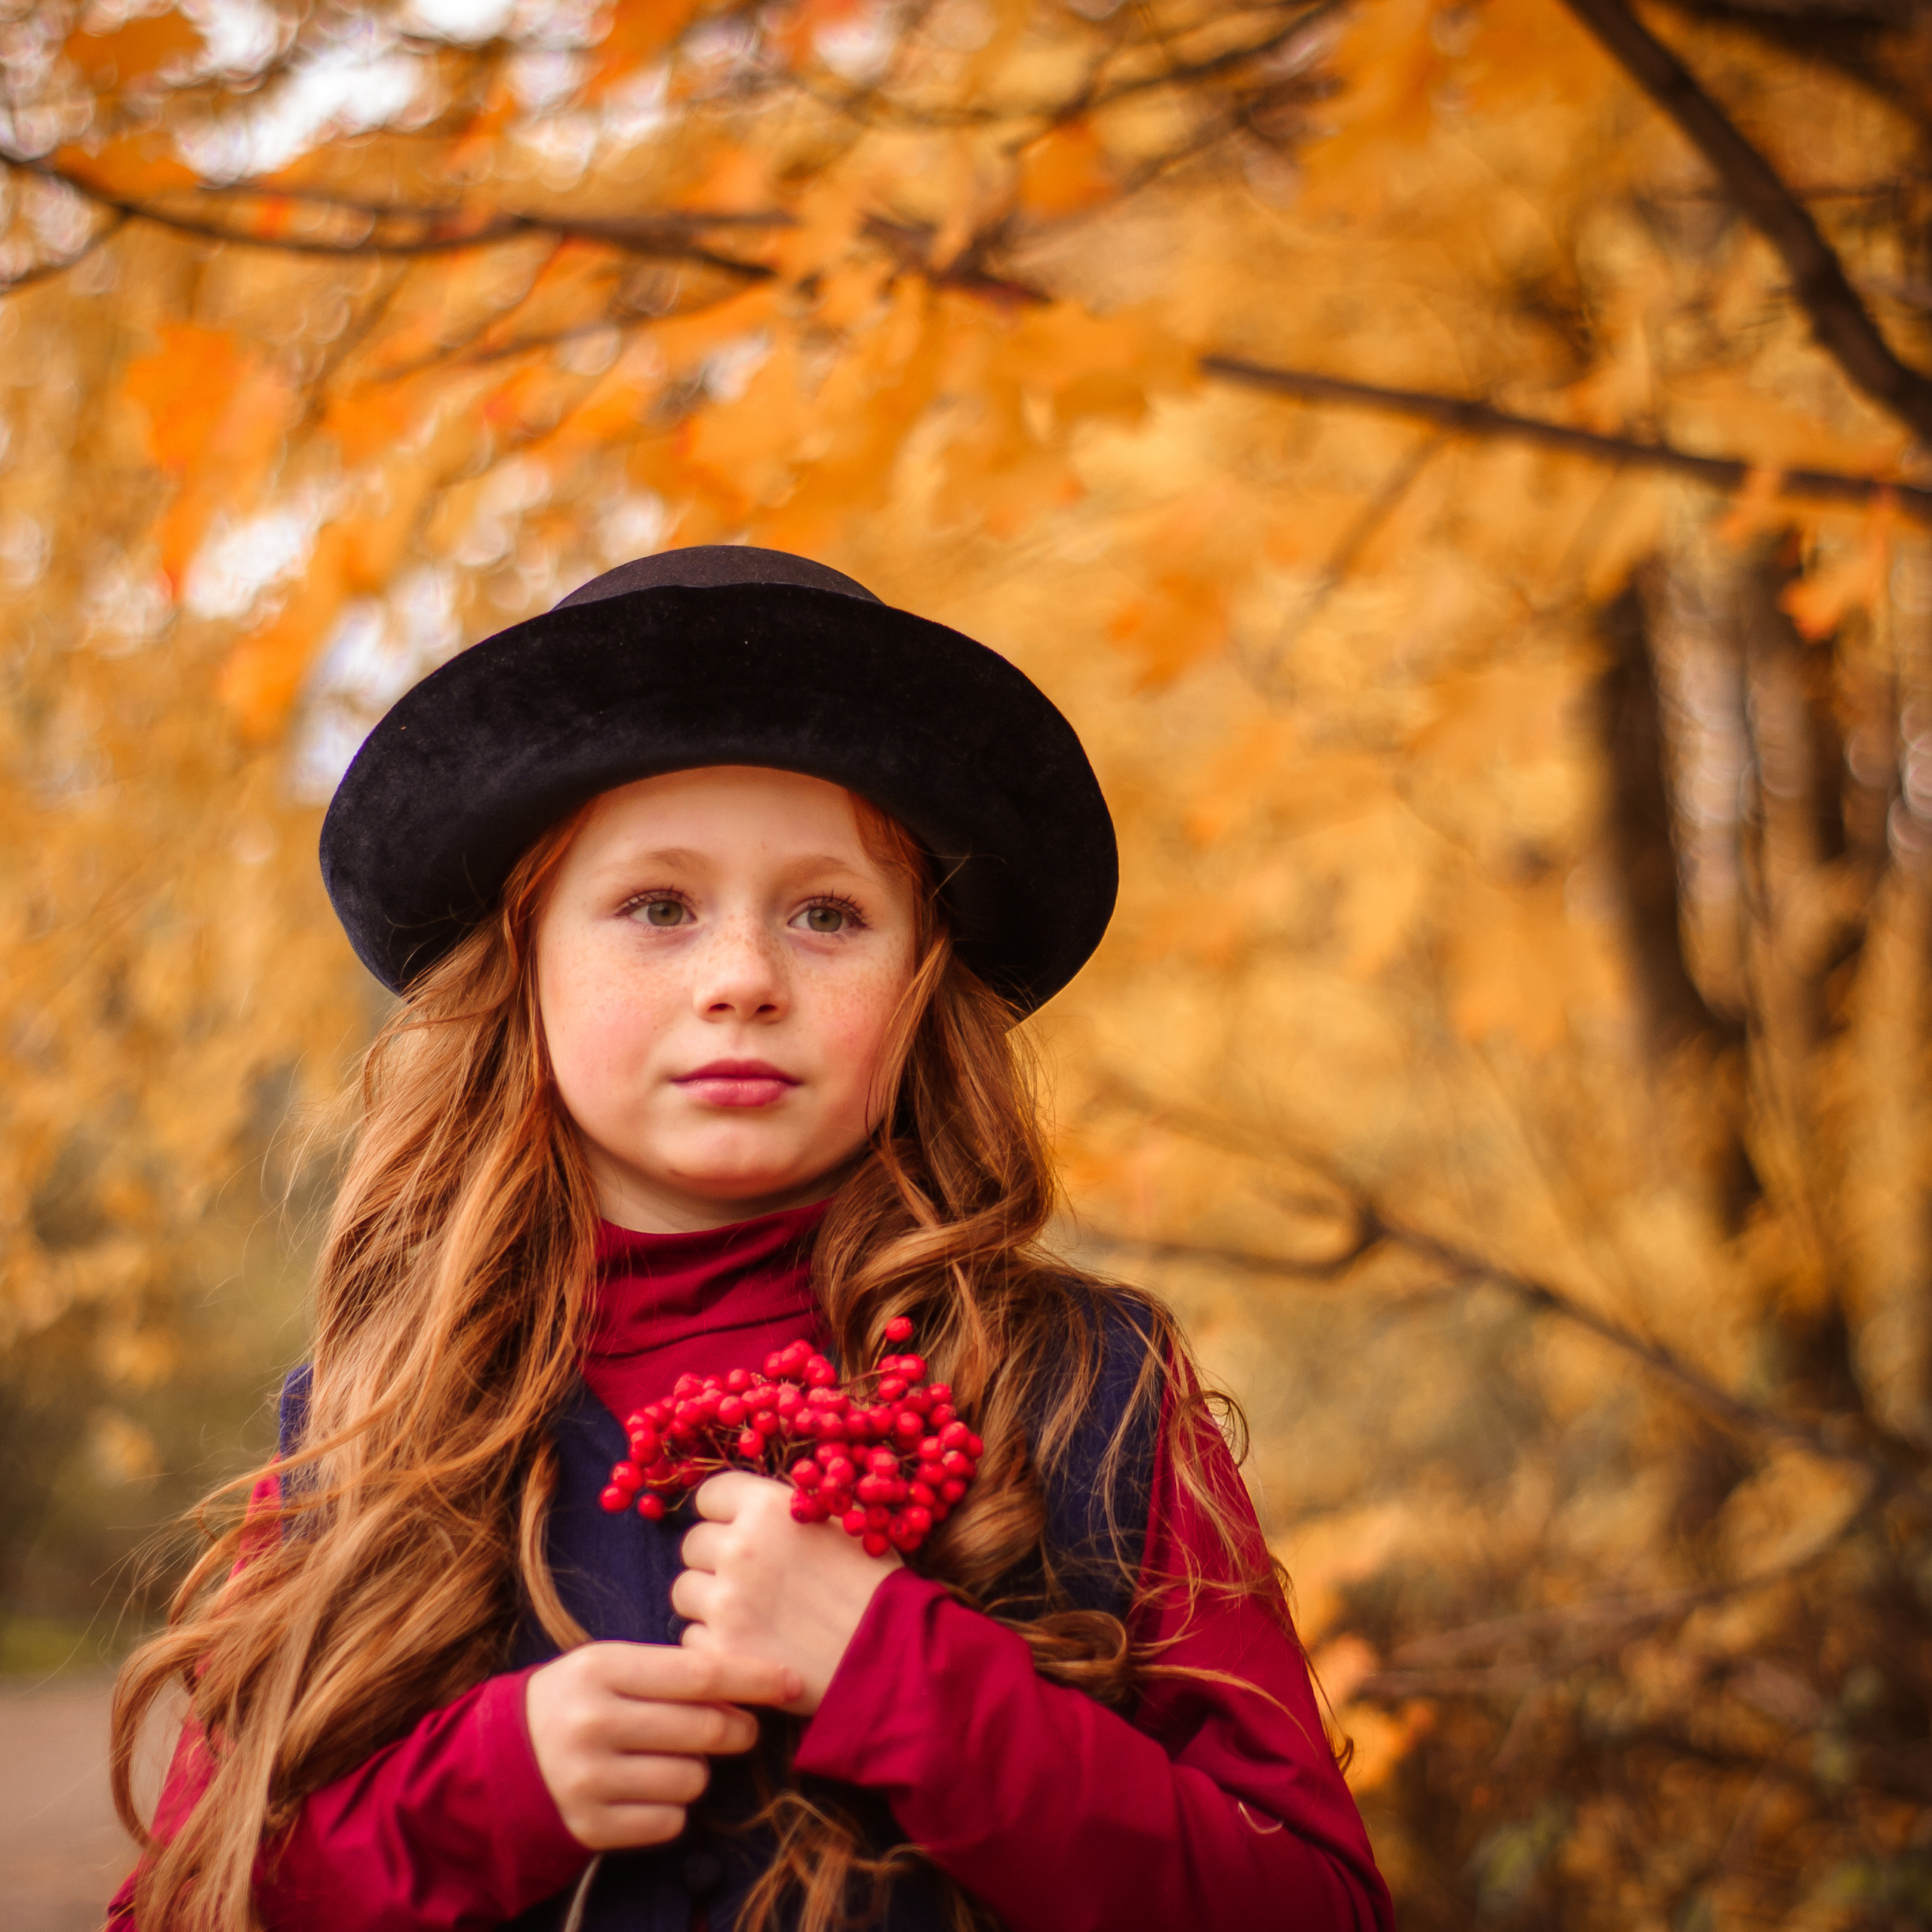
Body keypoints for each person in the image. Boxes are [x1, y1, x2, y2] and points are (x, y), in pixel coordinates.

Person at [106, 547, 1392, 1932]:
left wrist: (913, 1683)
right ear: (523, 966)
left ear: (923, 980)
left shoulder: (1092, 1392)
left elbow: (1316, 1908)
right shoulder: (373, 1416)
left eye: (828, 915)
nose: (742, 980)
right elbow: (184, 1904)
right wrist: (479, 1797)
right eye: (658, 908)